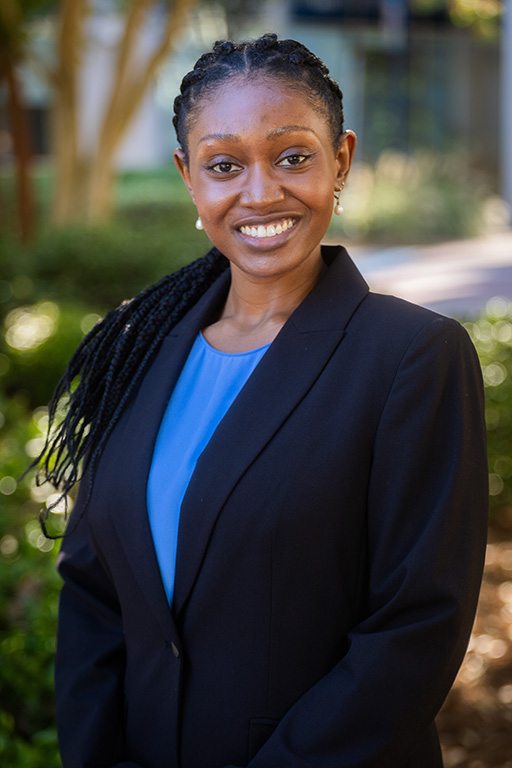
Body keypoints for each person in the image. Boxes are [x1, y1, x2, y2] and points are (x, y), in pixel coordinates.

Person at [36, 33, 488, 768]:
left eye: (292, 157)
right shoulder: (136, 347)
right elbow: (94, 591)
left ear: (340, 158)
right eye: (224, 165)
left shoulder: (411, 358)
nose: (260, 192)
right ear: (189, 177)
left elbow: (414, 629)